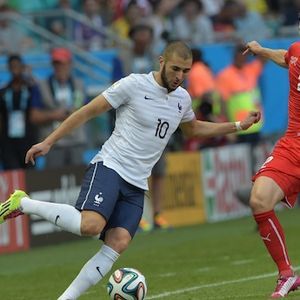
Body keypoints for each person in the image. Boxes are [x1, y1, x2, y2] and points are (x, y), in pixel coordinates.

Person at [0, 41, 260, 300]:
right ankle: (22, 203)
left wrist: (237, 125)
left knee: (119, 242)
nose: (179, 77)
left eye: (185, 71)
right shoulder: (133, 85)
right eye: (175, 69)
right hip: (111, 166)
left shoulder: (182, 98)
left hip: (137, 183)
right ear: (161, 62)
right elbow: (88, 111)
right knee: (90, 225)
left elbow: (193, 129)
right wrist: (48, 142)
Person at [243, 40, 300, 298]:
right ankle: (286, 274)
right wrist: (262, 50)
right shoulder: (297, 49)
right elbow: (288, 57)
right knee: (259, 199)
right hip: (293, 143)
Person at [31, 47, 87, 169]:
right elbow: (34, 116)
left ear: (70, 64)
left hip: (76, 141)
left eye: (62, 63)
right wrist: (54, 115)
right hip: (53, 144)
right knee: (53, 182)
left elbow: (88, 112)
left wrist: (74, 114)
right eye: (56, 63)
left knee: (78, 181)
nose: (59, 67)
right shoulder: (41, 85)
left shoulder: (79, 84)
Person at [0, 54, 41, 170]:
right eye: (12, 67)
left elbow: (36, 112)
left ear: (22, 67)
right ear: (8, 68)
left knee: (30, 175)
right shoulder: (3, 91)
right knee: (12, 174)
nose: (15, 70)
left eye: (17, 66)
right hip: (8, 142)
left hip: (28, 139)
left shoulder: (30, 88)